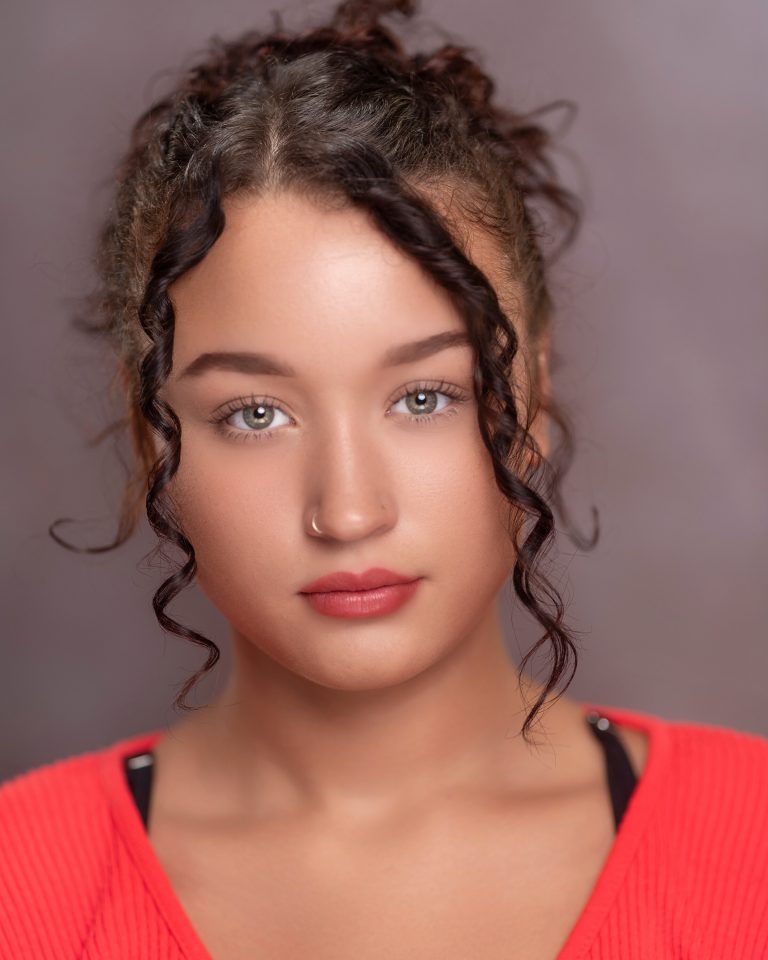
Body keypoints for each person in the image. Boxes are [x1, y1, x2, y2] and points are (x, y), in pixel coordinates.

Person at [1, 1, 766, 957]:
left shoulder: (754, 850)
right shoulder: (20, 886)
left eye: (424, 397)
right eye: (255, 414)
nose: (350, 511)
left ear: (529, 395)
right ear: (152, 431)